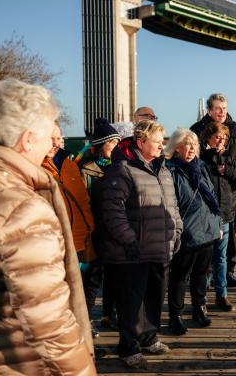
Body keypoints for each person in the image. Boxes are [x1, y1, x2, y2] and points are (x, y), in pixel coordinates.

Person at [0, 78, 96, 374]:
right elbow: (50, 326)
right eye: (50, 135)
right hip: (14, 362)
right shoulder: (22, 209)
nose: (53, 144)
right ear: (27, 139)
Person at [99, 119, 183, 369]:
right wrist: (129, 239)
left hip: (160, 246)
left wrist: (177, 231)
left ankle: (148, 338)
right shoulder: (123, 169)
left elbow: (173, 205)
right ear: (141, 141)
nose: (162, 145)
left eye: (162, 140)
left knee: (154, 298)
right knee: (131, 302)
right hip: (133, 251)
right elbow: (112, 211)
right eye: (157, 141)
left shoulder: (163, 169)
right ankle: (128, 346)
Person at [164, 128, 221, 335]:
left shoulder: (201, 167)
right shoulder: (170, 171)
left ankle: (199, 308)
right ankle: (175, 316)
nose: (191, 149)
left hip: (207, 229)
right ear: (176, 147)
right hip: (187, 233)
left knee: (202, 273)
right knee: (179, 276)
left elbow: (212, 195)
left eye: (194, 145)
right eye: (187, 144)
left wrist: (216, 223)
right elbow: (172, 204)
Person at [191, 93, 236, 287]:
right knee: (206, 236)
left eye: (224, 108)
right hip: (205, 193)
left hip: (229, 192)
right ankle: (206, 273)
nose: (222, 112)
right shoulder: (197, 130)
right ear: (209, 110)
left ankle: (227, 272)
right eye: (218, 108)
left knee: (230, 234)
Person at [77, 118, 122, 333]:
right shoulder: (86, 169)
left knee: (114, 276)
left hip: (114, 230)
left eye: (117, 142)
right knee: (93, 278)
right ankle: (86, 320)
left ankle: (108, 315)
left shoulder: (119, 166)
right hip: (95, 230)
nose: (116, 147)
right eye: (112, 143)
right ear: (100, 145)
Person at [200, 122, 236, 311]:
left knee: (221, 258)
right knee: (204, 259)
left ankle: (222, 295)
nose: (221, 141)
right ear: (208, 138)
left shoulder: (229, 159)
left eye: (224, 138)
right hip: (207, 217)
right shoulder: (202, 160)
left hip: (226, 214)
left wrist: (228, 171)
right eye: (217, 137)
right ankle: (201, 298)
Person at [41, 123, 95, 257]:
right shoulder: (34, 167)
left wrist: (89, 226)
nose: (55, 143)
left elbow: (83, 199)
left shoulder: (70, 165)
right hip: (52, 245)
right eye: (51, 138)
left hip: (78, 241)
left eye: (58, 138)